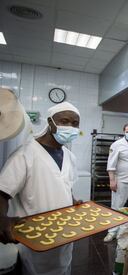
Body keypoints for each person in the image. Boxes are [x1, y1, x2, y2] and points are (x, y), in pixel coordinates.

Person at [0, 102, 82, 275]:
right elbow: (2, 192)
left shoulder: (70, 156)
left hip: (65, 234)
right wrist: (2, 217)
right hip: (35, 238)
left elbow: (64, 184)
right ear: (50, 122)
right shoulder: (25, 154)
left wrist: (72, 200)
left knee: (63, 267)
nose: (70, 127)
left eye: (75, 124)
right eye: (64, 121)